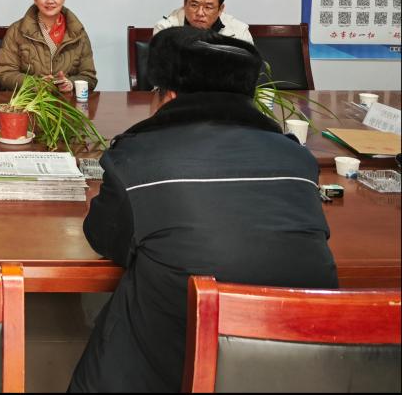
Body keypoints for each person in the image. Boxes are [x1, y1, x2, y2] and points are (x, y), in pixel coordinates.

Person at [67, 27, 337, 393]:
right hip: (299, 367)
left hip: (174, 366)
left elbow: (104, 238)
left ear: (169, 96)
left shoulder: (136, 159)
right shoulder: (297, 159)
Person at [0, 0, 97, 93]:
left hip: (66, 101)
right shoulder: (16, 30)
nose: (50, 1)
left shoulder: (77, 32)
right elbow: (5, 73)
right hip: (29, 101)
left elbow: (89, 77)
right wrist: (35, 83)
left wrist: (70, 83)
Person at [154, 0, 253, 43]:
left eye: (208, 7)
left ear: (220, 9)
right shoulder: (165, 29)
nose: (200, 13)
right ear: (184, 4)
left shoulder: (239, 32)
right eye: (194, 5)